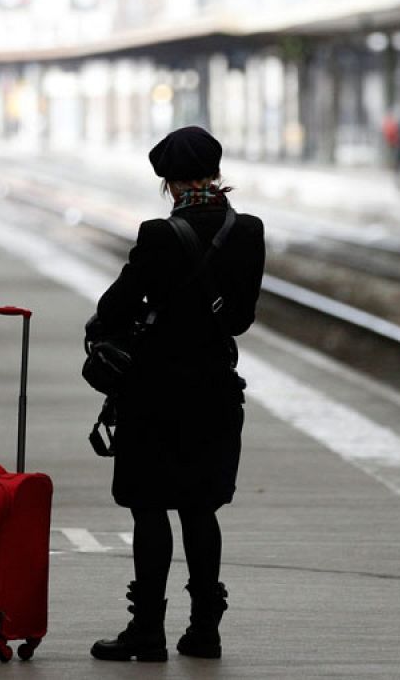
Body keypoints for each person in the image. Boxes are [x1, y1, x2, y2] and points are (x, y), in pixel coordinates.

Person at [87, 126, 266, 662]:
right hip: (213, 390)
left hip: (155, 393)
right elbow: (240, 320)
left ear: (167, 181)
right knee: (199, 509)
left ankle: (147, 630)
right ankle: (205, 631)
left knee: (149, 509)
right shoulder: (249, 230)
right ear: (215, 172)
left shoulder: (158, 234)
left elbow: (115, 308)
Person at [382, 107, 400, 192]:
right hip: (399, 147)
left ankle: (399, 182)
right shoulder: (399, 124)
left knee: (398, 166)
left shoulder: (391, 123)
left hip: (394, 146)